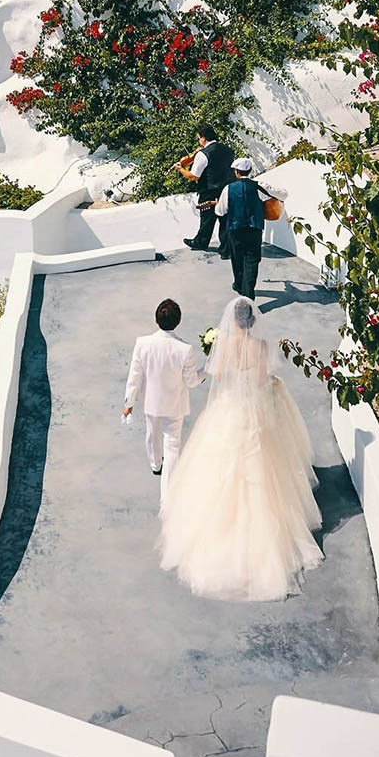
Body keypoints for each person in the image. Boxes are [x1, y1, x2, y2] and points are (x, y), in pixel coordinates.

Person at [159, 296, 323, 600]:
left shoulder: (223, 343)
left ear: (232, 320)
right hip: (253, 413)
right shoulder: (259, 346)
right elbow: (261, 379)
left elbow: (218, 377)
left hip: (229, 408)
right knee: (263, 471)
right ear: (252, 320)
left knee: (216, 468)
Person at [122, 298, 204, 503]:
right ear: (178, 322)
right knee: (173, 445)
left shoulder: (142, 343)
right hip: (175, 405)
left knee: (152, 434)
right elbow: (192, 382)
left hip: (151, 402)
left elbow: (134, 376)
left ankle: (155, 465)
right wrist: (206, 370)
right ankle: (167, 497)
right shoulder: (185, 349)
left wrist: (128, 404)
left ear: (156, 320)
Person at [215, 158, 286, 301]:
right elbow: (283, 194)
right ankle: (248, 293)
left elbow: (220, 211)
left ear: (236, 172)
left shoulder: (228, 189)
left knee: (237, 258)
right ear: (250, 171)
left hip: (235, 230)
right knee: (252, 260)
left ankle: (241, 287)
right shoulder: (259, 186)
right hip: (255, 229)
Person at [173, 123, 234, 255]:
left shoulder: (203, 154)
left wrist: (181, 169)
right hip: (227, 189)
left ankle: (201, 242)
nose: (199, 141)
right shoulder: (228, 150)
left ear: (203, 138)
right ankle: (226, 249)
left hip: (209, 190)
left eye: (199, 138)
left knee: (207, 219)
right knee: (225, 219)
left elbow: (194, 176)